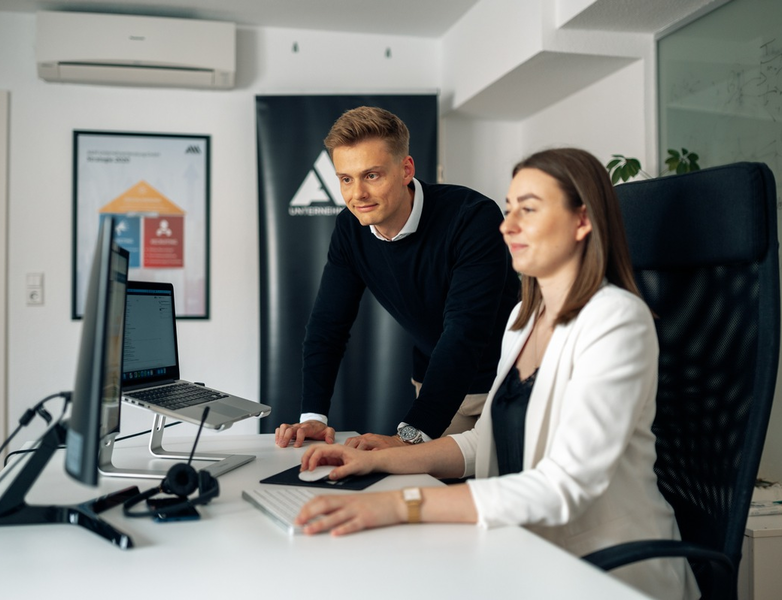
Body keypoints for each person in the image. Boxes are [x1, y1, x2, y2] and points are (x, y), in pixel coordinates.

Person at [292, 148, 700, 600]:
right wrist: (379, 459)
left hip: (606, 573)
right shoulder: (522, 319)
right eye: (508, 211)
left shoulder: (617, 320)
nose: (507, 227)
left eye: (527, 210)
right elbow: (485, 442)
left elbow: (564, 484)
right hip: (524, 555)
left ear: (582, 221)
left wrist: (398, 503)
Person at [275, 107, 520, 450]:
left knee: (506, 490)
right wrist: (313, 417)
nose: (357, 194)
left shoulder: (471, 217)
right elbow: (327, 327)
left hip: (507, 381)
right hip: (435, 382)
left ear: (406, 170)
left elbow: (464, 332)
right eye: (346, 179)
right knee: (429, 489)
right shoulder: (350, 228)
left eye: (371, 175)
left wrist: (410, 436)